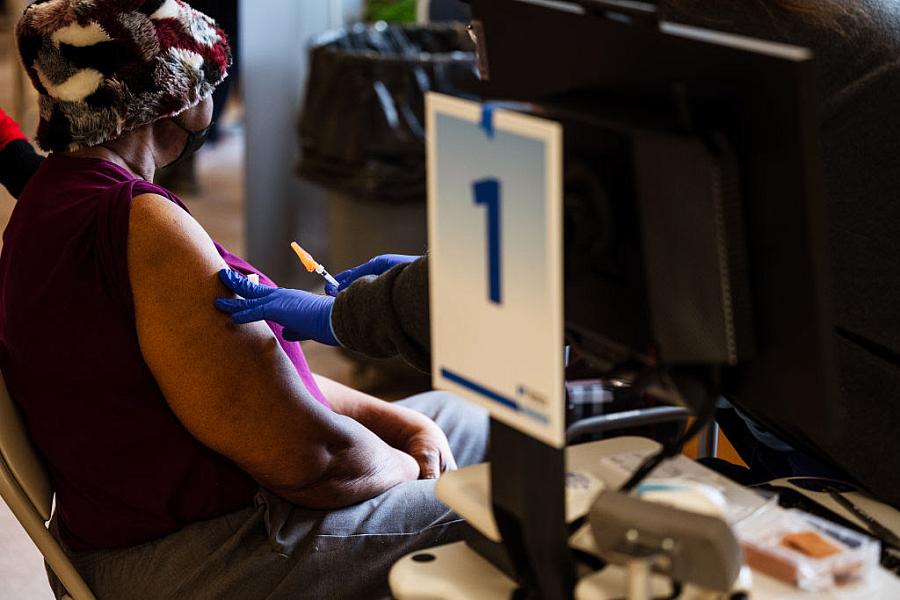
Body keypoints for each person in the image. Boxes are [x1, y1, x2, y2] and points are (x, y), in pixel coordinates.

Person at [217, 0, 900, 509]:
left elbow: (544, 255)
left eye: (484, 38)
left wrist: (350, 317)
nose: (488, 63)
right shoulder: (788, 24)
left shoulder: (691, 37)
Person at [0, 2, 487, 599]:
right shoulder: (143, 225)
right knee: (526, 511)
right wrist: (408, 466)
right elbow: (315, 462)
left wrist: (399, 420)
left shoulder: (49, 200)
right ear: (175, 97)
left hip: (169, 531)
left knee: (467, 420)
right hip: (210, 553)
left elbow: (240, 372)